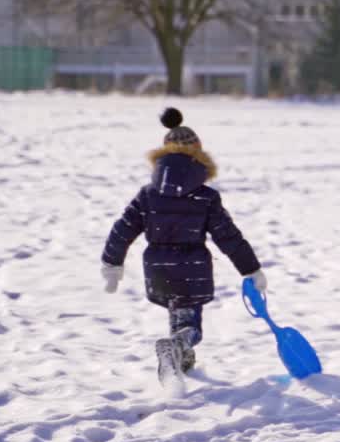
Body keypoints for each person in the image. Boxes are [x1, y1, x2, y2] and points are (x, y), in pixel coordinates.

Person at [101, 107, 266, 383]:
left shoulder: (148, 194)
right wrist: (251, 269)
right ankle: (177, 347)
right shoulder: (205, 197)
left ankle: (182, 363)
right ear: (198, 154)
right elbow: (228, 237)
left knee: (178, 313)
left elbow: (123, 228)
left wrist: (112, 264)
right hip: (192, 269)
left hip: (156, 269)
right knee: (190, 326)